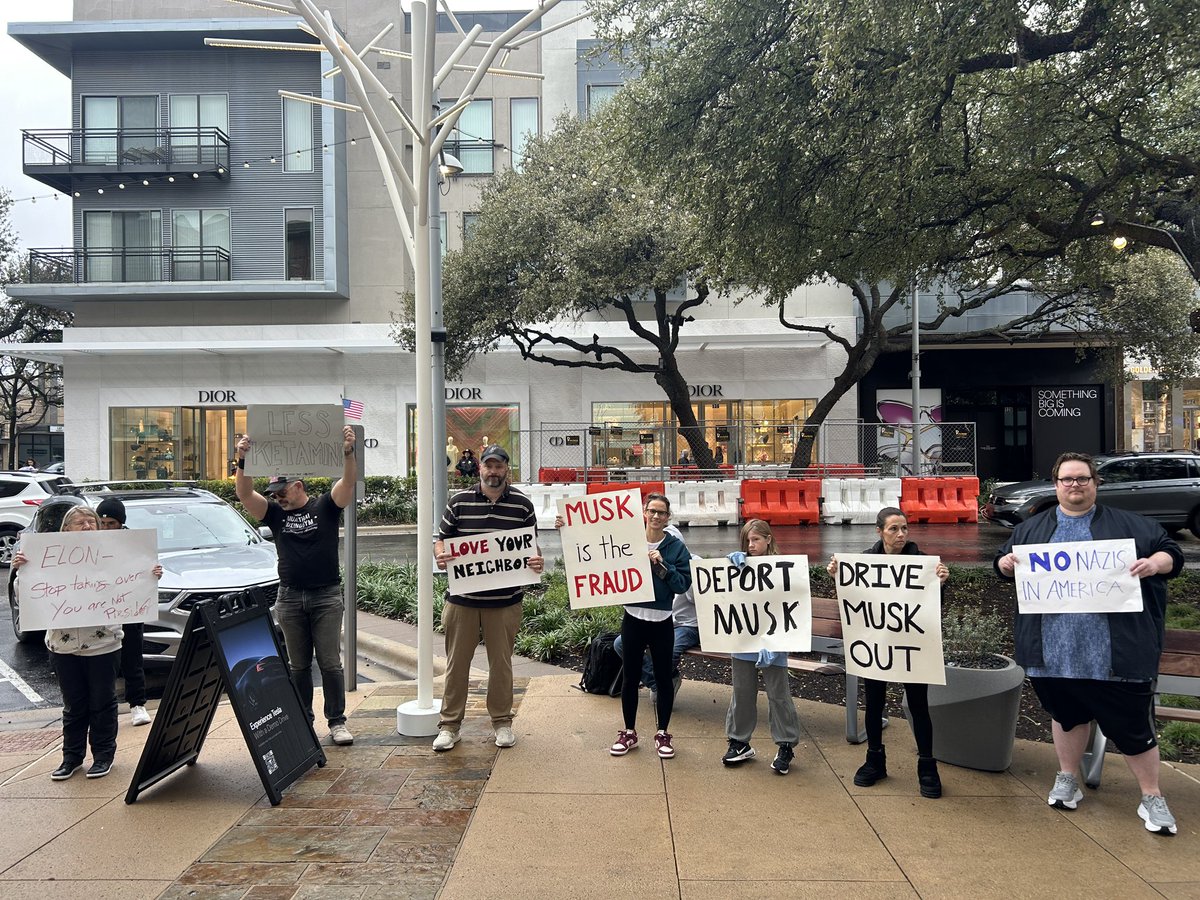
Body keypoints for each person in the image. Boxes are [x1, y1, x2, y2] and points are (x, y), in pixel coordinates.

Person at [996, 451, 1184, 835]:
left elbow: (1172, 553)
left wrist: (1155, 563)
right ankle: (1067, 777)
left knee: (1132, 727)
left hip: (1115, 654)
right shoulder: (1032, 530)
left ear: (1095, 484)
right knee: (1066, 717)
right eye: (1067, 479)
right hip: (1054, 653)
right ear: (1056, 484)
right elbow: (1003, 562)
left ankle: (1152, 795)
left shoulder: (1129, 526)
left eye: (1082, 479)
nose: (1074, 485)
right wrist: (1004, 565)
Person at [13, 506, 161, 780]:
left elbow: (132, 586)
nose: (86, 527)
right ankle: (72, 758)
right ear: (65, 530)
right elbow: (28, 600)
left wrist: (149, 575)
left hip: (103, 644)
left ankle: (103, 756)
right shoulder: (48, 557)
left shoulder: (114, 556)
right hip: (62, 645)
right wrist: (23, 571)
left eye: (91, 522)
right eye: (79, 523)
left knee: (103, 703)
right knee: (73, 705)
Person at [234, 425, 357, 747]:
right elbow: (245, 494)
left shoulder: (325, 507)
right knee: (298, 665)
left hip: (327, 596)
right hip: (289, 597)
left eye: (282, 492)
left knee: (330, 663)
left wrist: (347, 452)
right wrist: (242, 461)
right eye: (274, 494)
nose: (278, 498)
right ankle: (304, 718)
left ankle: (337, 721)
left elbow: (347, 484)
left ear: (298, 486)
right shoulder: (274, 514)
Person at [827, 507, 950, 799]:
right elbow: (855, 599)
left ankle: (927, 766)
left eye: (904, 528)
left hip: (910, 646)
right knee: (874, 702)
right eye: (894, 529)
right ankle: (874, 760)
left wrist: (940, 583)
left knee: (919, 705)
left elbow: (932, 605)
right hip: (877, 644)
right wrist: (837, 575)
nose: (900, 534)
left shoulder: (921, 563)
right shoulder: (866, 562)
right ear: (879, 531)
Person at [433, 444, 544, 751]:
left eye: (499, 466)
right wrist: (441, 555)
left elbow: (532, 547)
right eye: (488, 466)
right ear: (479, 468)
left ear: (507, 469)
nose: (493, 471)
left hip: (505, 602)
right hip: (462, 601)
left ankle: (502, 722)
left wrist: (536, 561)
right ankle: (450, 726)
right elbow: (441, 540)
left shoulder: (522, 504)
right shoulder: (459, 501)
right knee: (456, 665)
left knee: (502, 664)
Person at [609, 493, 691, 759]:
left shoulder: (676, 548)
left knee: (664, 679)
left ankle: (663, 733)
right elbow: (596, 551)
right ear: (644, 512)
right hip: (633, 617)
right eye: (652, 511)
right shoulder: (628, 541)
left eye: (662, 513)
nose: (657, 517)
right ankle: (628, 732)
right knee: (631, 678)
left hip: (661, 621)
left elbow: (682, 585)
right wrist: (568, 527)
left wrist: (663, 567)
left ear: (668, 518)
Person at [721, 519, 803, 775]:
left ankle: (786, 744)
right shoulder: (738, 566)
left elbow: (790, 609)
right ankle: (739, 741)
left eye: (756, 539)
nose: (751, 545)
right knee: (742, 693)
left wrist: (777, 646)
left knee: (779, 696)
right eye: (747, 540)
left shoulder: (782, 570)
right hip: (744, 643)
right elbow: (724, 597)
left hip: (774, 645)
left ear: (768, 539)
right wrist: (726, 565)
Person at [613, 522, 699, 702]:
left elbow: (692, 596)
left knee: (672, 650)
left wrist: (668, 567)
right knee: (620, 644)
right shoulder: (646, 558)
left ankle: (663, 685)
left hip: (688, 625)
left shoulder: (693, 561)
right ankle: (659, 682)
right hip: (660, 620)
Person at [96, 497, 151, 727]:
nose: (107, 528)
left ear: (121, 523)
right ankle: (102, 708)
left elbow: (145, 568)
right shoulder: (86, 544)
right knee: (101, 661)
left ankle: (137, 704)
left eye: (111, 523)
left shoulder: (135, 543)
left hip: (128, 606)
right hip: (96, 608)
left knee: (132, 657)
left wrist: (153, 572)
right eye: (103, 523)